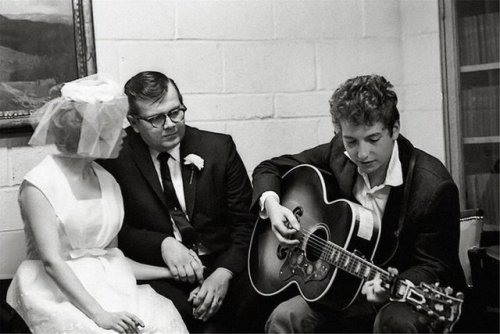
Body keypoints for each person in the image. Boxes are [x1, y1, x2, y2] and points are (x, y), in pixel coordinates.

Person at [251, 74, 466, 333]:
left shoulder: (432, 186)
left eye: (374, 139)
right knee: (285, 318)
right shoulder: (338, 153)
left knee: (393, 322)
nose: (362, 154)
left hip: (401, 291)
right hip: (340, 283)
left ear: (394, 129)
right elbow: (269, 168)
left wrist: (391, 286)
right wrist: (272, 206)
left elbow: (435, 265)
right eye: (351, 141)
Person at [6, 74, 188, 334]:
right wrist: (100, 316)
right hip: (54, 292)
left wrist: (169, 273)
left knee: (162, 318)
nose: (123, 134)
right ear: (90, 132)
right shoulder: (40, 184)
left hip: (108, 286)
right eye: (113, 127)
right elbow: (51, 262)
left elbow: (113, 258)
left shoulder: (108, 181)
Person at [98, 71, 259, 332]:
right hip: (162, 274)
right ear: (134, 122)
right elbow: (115, 231)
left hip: (224, 264)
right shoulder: (115, 158)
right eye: (156, 119)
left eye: (176, 112)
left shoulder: (219, 148)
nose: (170, 124)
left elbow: (247, 222)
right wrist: (162, 243)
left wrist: (224, 273)